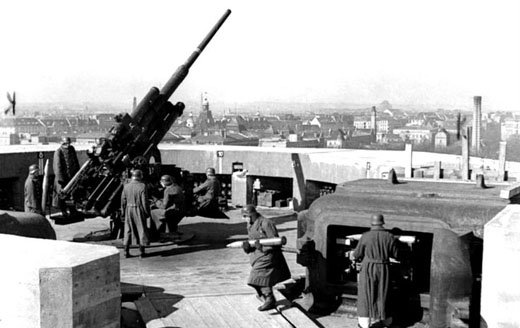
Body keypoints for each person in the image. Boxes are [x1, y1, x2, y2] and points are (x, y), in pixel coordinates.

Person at [349, 214, 400, 328]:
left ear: (372, 223)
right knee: (384, 293)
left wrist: (353, 256)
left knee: (365, 294)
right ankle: (387, 321)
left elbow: (357, 254)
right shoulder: (389, 236)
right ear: (382, 223)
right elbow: (396, 254)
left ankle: (364, 323)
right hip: (384, 268)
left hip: (368, 268)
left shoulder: (365, 236)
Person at [241, 204, 291, 311]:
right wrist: (247, 248)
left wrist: (262, 247)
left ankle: (270, 299)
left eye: (246, 216)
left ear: (253, 214)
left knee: (257, 276)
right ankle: (265, 296)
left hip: (268, 256)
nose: (244, 219)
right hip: (257, 256)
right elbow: (252, 241)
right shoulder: (250, 224)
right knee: (257, 278)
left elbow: (275, 242)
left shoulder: (266, 223)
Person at [121, 169, 150, 258]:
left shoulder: (126, 186)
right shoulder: (142, 186)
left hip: (128, 209)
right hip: (138, 209)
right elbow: (144, 201)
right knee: (141, 229)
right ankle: (142, 252)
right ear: (140, 176)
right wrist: (146, 212)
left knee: (128, 230)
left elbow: (123, 200)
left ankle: (126, 251)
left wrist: (123, 212)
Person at [52, 136, 80, 217]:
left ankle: (73, 210)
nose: (67, 145)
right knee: (62, 195)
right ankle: (63, 211)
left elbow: (75, 162)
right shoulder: (58, 152)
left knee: (72, 195)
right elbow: (58, 167)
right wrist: (60, 179)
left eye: (68, 143)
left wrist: (77, 174)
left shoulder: (72, 150)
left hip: (72, 177)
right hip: (63, 178)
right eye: (65, 143)